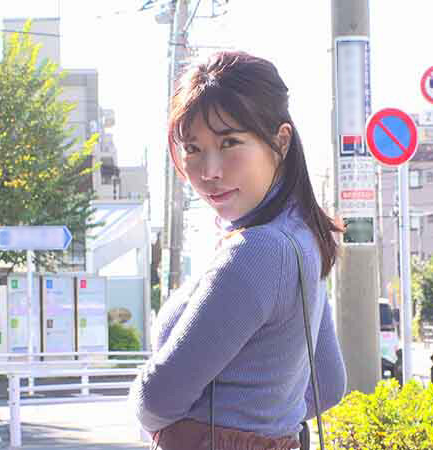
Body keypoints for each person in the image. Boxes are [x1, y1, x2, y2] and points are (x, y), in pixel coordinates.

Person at [128, 51, 347, 450]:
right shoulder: (302, 238)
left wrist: (223, 431)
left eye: (229, 142)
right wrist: (268, 423)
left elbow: (156, 399)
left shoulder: (256, 252)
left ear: (280, 141)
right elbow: (328, 383)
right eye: (192, 148)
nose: (209, 171)